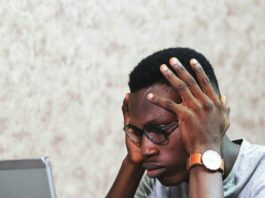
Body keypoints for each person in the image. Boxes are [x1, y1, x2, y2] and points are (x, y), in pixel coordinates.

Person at [106, 47, 265, 198]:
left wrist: (204, 150)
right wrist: (132, 164)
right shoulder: (158, 182)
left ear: (209, 117)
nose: (145, 150)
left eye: (158, 130)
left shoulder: (260, 175)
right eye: (139, 133)